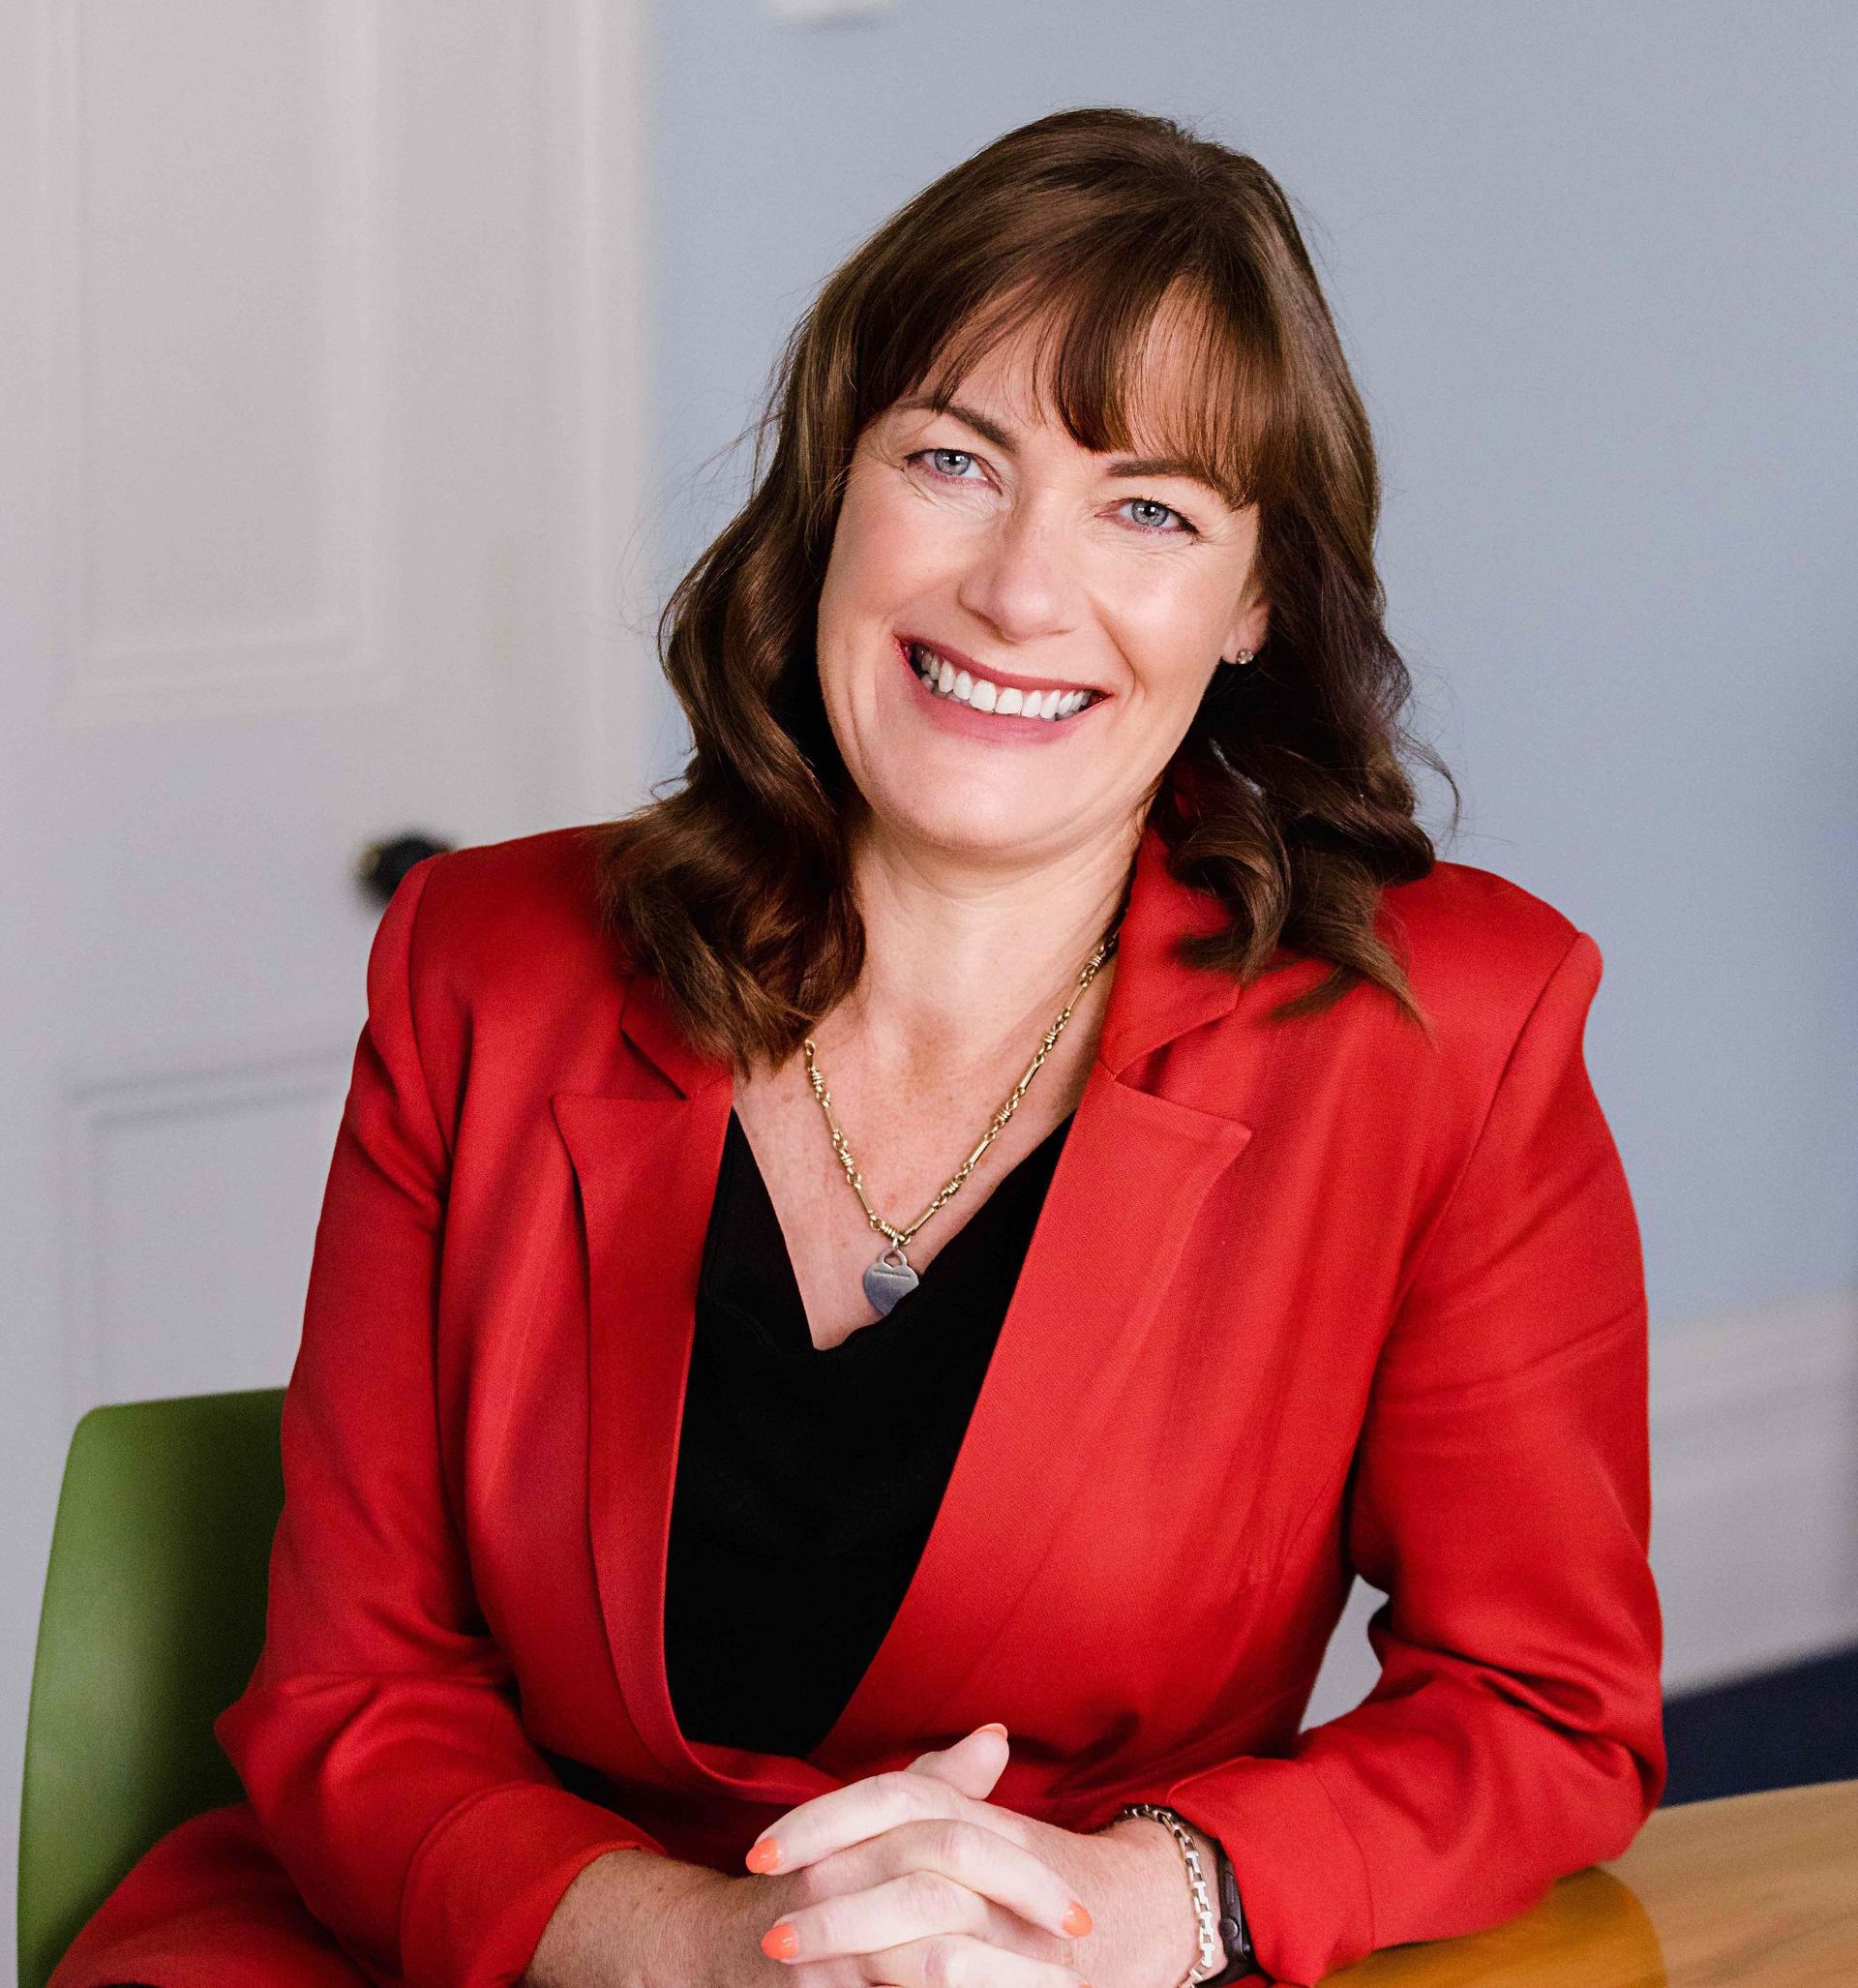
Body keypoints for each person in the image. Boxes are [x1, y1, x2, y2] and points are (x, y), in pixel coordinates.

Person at [49, 105, 1664, 1988]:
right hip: (490, 1946)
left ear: (1250, 603)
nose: (1021, 589)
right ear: (833, 491)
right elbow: (356, 1689)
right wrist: (691, 1944)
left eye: (1148, 506)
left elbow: (1546, 1707)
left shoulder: (1445, 1024)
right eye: (955, 462)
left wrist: (1146, 1904)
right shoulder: (485, 963)